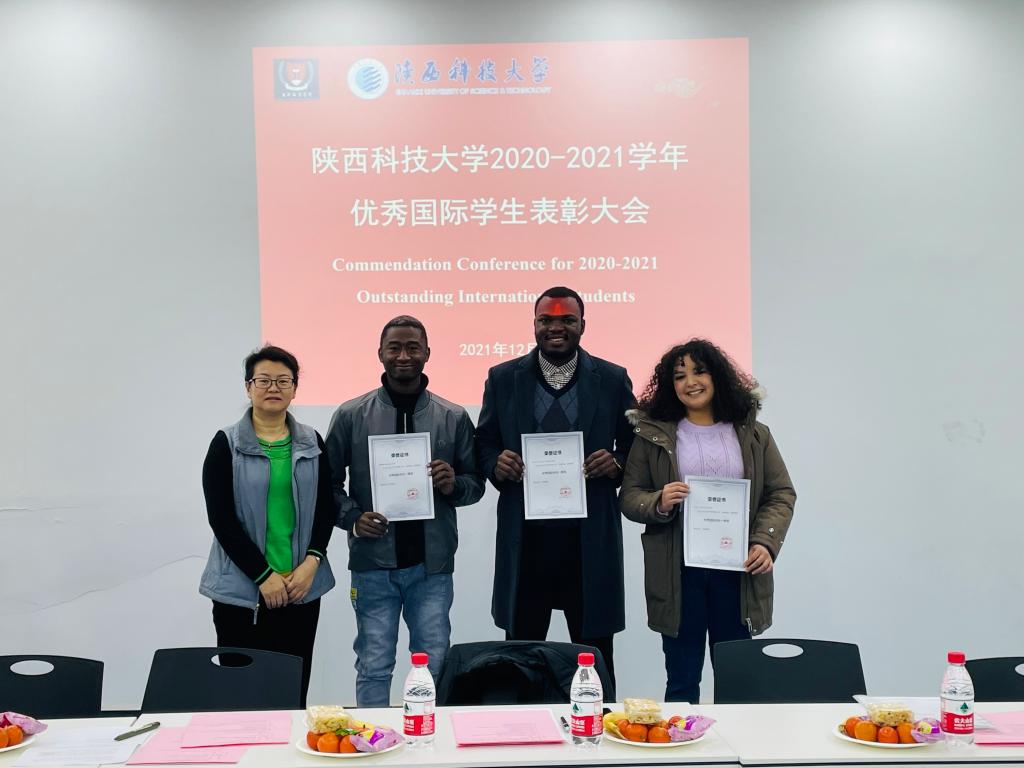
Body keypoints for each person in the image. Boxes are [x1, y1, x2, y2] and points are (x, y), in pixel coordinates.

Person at [620, 339, 796, 703]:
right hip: (678, 573)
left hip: (738, 571)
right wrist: (658, 501)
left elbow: (780, 493)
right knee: (682, 681)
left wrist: (765, 542)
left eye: (699, 372)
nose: (690, 382)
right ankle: (684, 741)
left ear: (717, 376)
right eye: (679, 376)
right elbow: (630, 496)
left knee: (737, 684)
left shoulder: (753, 433)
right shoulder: (653, 435)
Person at [476, 286, 636, 684]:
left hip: (588, 542)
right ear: (534, 324)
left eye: (567, 319)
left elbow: (636, 446)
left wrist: (617, 462)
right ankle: (524, 723)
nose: (556, 327)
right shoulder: (503, 378)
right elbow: (484, 442)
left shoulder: (612, 379)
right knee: (521, 660)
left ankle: (598, 720)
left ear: (583, 325)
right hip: (526, 542)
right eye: (546, 319)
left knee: (594, 657)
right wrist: (496, 462)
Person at [325, 316, 484, 707]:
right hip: (372, 564)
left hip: (431, 567)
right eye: (394, 347)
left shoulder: (453, 416)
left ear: (427, 353)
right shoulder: (351, 415)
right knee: (374, 664)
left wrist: (453, 484)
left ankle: (429, 738)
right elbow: (326, 486)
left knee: (434, 664)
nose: (403, 356)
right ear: (379, 353)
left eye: (413, 347)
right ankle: (375, 741)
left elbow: (475, 484)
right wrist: (352, 519)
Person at [199, 345, 336, 705]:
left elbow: (326, 508)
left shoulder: (312, 442)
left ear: (294, 388)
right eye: (264, 380)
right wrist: (263, 575)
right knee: (242, 697)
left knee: (292, 693)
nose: (273, 387)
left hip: (300, 587)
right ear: (249, 387)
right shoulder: (225, 444)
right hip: (242, 594)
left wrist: (312, 563)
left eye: (283, 381)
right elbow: (221, 519)